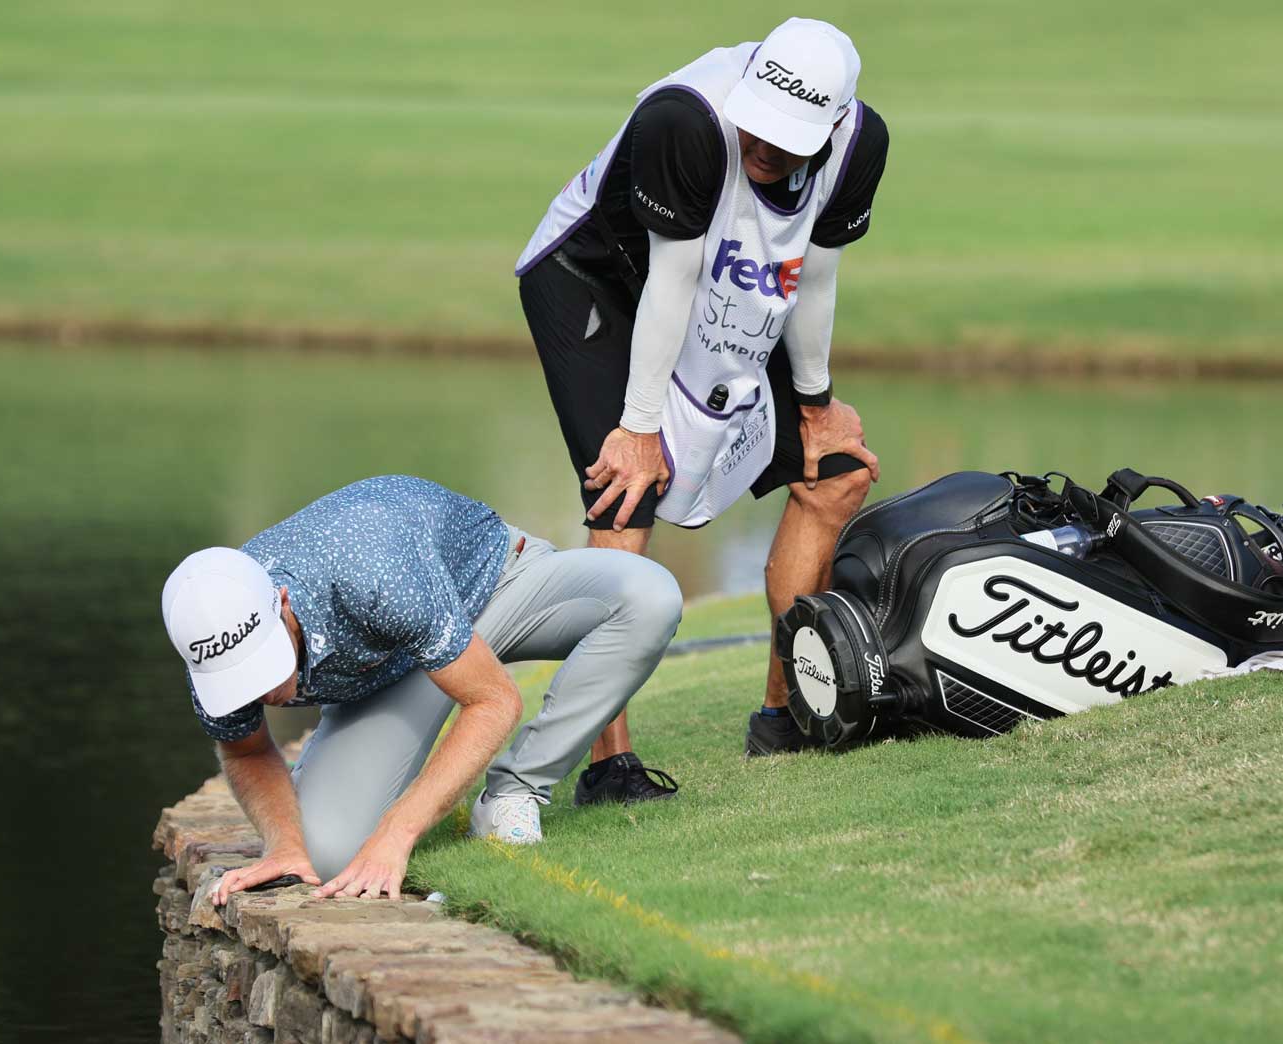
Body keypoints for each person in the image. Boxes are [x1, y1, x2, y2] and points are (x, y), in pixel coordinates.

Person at [515, 17, 888, 758]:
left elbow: (812, 278)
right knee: (626, 489)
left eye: (787, 140)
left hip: (725, 279)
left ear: (835, 122)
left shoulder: (860, 145)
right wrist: (641, 426)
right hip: (593, 275)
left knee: (835, 475)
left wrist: (816, 407)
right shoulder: (684, 120)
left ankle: (787, 719)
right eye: (757, 127)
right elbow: (671, 279)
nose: (763, 147)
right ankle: (605, 758)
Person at [160, 475, 683, 904]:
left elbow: (494, 700)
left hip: (491, 587)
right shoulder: (209, 642)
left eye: (266, 663)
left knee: (648, 597)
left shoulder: (369, 570)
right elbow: (246, 750)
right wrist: (283, 843)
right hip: (396, 666)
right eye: (244, 679)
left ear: (283, 602)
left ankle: (514, 791)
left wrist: (398, 832)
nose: (266, 691)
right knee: (324, 858)